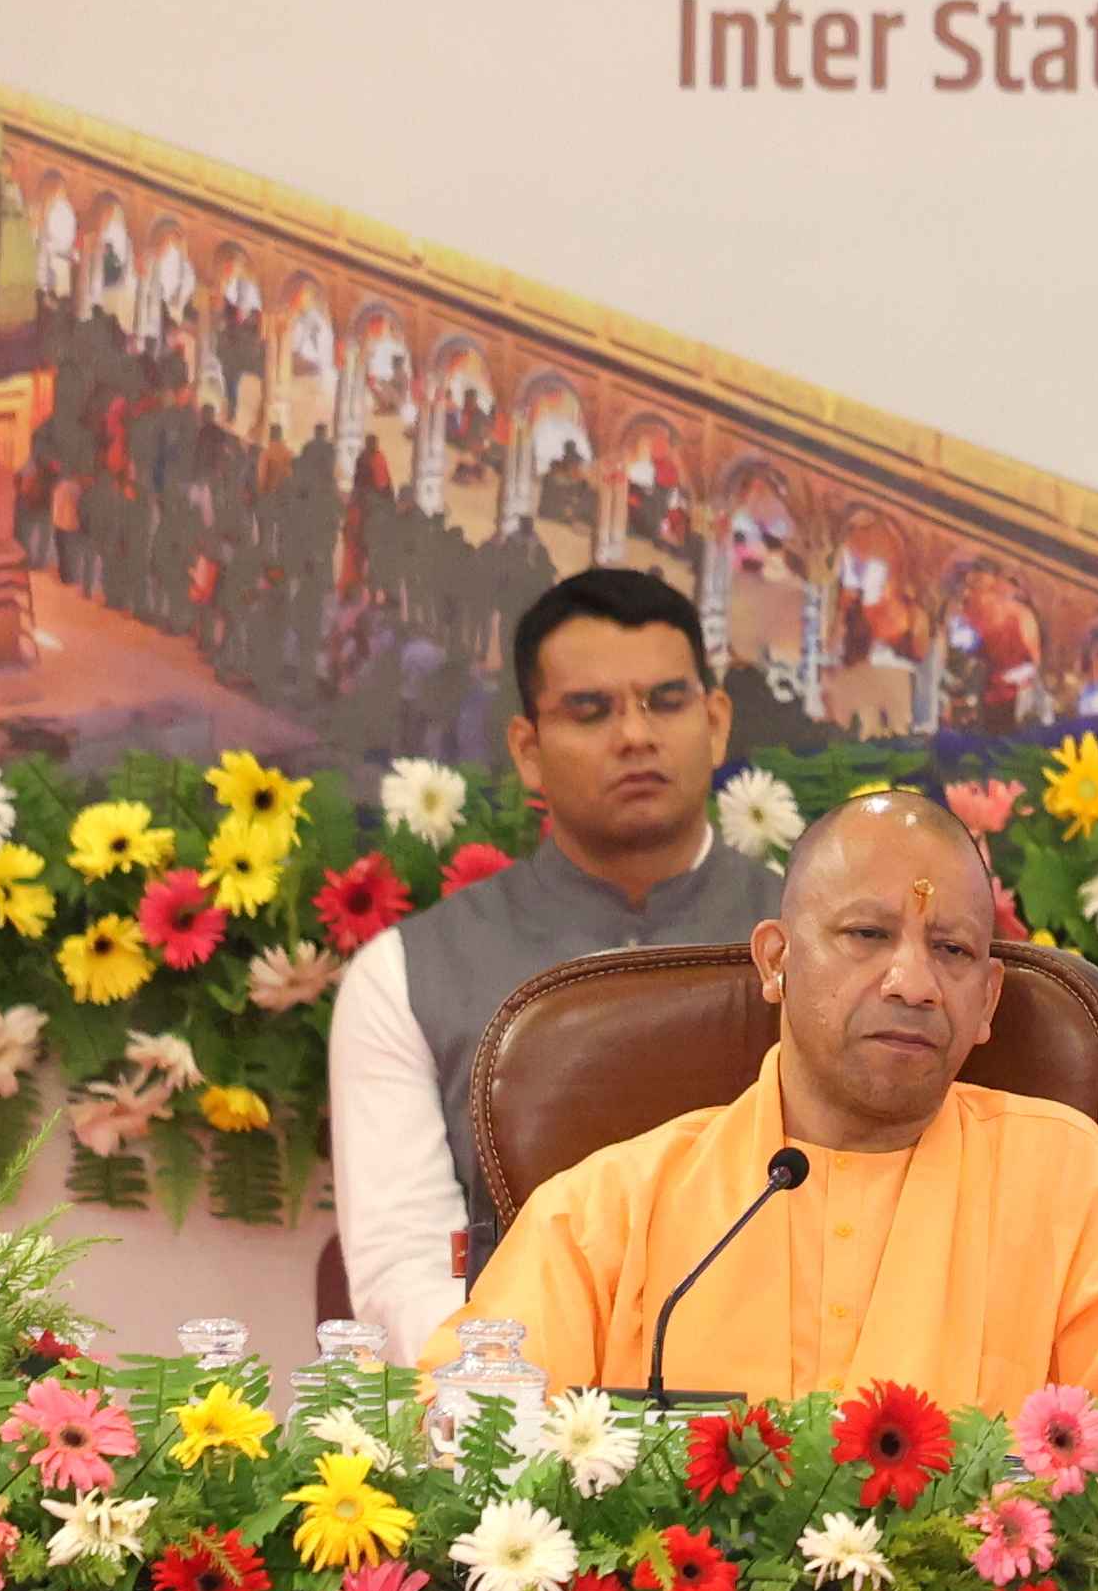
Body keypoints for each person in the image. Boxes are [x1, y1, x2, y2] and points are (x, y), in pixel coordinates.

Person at [456, 788, 1098, 1409]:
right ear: (776, 961)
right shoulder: (606, 1213)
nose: (912, 983)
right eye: (867, 934)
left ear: (986, 1000)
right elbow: (465, 1448)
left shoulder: (1071, 1187)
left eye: (951, 950)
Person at [328, 567, 793, 1354]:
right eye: (591, 710)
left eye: (665, 701)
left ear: (715, 722)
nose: (635, 735)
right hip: (515, 1399)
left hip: (790, 1395)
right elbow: (404, 1269)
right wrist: (543, 1390)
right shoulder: (405, 974)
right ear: (528, 749)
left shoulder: (828, 947)